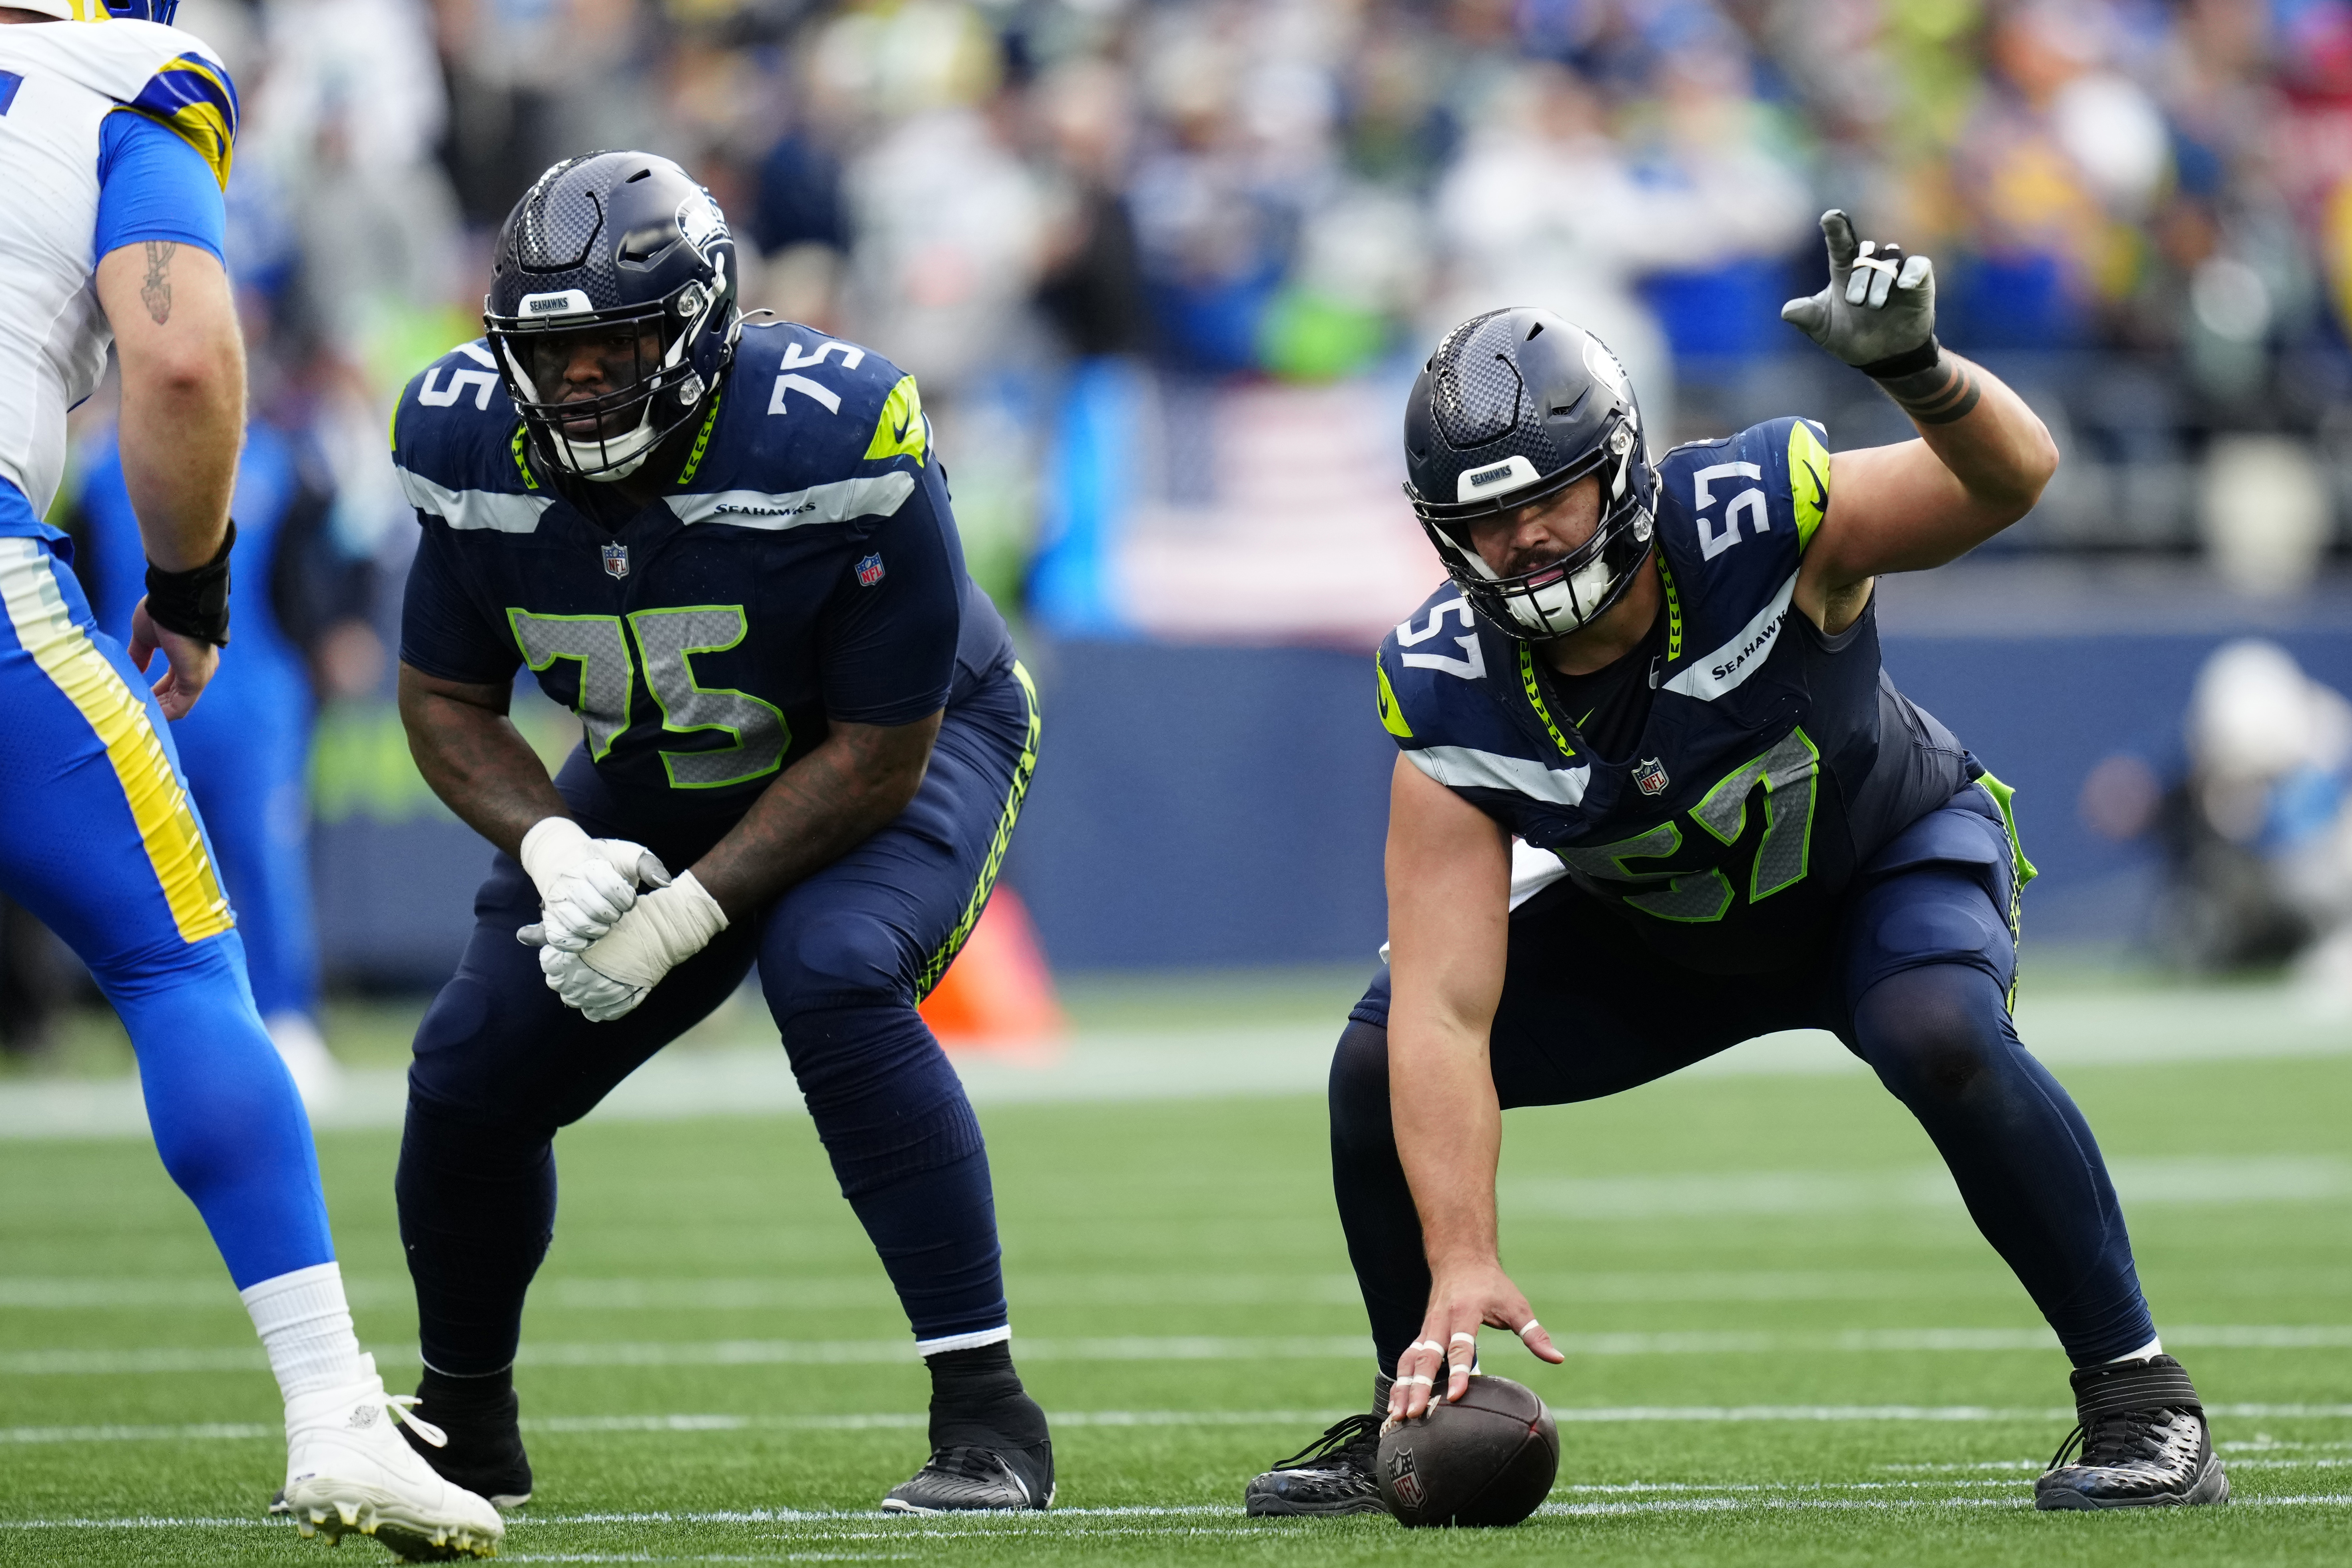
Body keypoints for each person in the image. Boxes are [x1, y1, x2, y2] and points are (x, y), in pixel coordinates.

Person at [1244, 213, 2228, 1516]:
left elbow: (2010, 480)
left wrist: (1921, 372)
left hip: (1882, 859)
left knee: (1936, 1024)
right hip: (1669, 934)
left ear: (1620, 470)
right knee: (1376, 1059)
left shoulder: (1755, 514)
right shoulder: (1444, 689)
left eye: (1547, 497)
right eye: (1486, 521)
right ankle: (1407, 1410)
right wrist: (1464, 1254)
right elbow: (1440, 1005)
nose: (1526, 539)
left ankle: (2140, 1397)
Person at [387, 151, 1051, 1514]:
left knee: (831, 965)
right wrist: (553, 849)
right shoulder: (460, 433)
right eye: (549, 349)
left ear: (699, 327)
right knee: (468, 1064)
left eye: (615, 341)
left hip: (904, 740)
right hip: (661, 765)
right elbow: (447, 701)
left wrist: (688, 915)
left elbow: (876, 751)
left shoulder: (834, 428)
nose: (577, 380)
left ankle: (988, 1418)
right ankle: (463, 1421)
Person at [0, 2, 501, 1557]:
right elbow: (184, 359)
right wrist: (193, 587)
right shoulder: (127, 78)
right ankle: (337, 1410)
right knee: (178, 960)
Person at [71, 414, 356, 1104]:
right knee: (142, 875)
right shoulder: (100, 472)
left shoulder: (282, 464)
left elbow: (322, 566)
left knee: (263, 860)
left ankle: (287, 1021)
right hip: (133, 693)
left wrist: (332, 639)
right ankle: (165, 1035)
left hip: (254, 698)